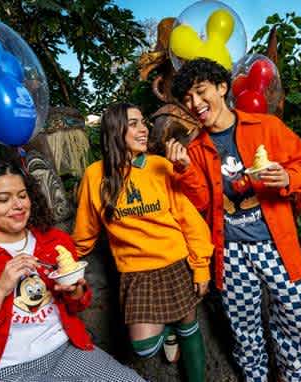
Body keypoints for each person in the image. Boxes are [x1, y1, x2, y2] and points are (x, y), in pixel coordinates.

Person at [165, 57, 301, 382]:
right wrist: (184, 171)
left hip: (275, 245)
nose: (195, 104)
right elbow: (205, 203)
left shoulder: (266, 128)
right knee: (244, 330)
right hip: (231, 252)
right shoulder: (195, 150)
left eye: (200, 92)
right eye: (188, 99)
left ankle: (293, 377)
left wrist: (287, 178)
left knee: (295, 318)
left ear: (222, 88)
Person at [0, 159, 144, 382]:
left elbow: (78, 304)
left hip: (65, 351)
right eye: (3, 199)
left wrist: (74, 292)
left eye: (22, 195)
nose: (19, 205)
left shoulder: (54, 241)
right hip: (3, 369)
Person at [71, 103, 213, 382]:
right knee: (144, 347)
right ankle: (168, 332)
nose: (144, 129)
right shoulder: (95, 175)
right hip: (136, 273)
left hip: (176, 262)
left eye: (143, 122)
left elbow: (189, 220)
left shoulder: (161, 166)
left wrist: (200, 266)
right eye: (133, 123)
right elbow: (85, 231)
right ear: (114, 131)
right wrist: (63, 258)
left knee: (188, 323)